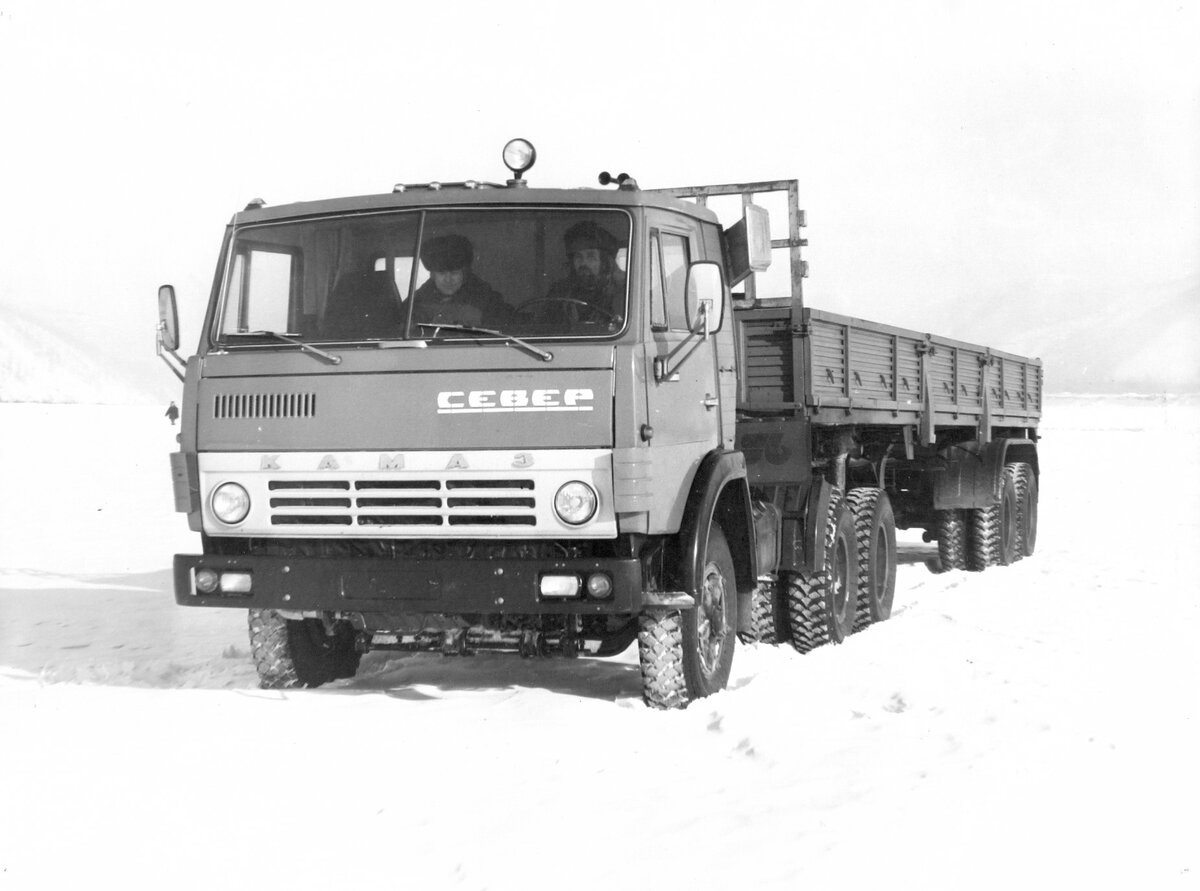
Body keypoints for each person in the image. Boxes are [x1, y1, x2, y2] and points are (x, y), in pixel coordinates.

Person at [412, 234, 508, 328]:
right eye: (442, 273)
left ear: (465, 274)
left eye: (454, 273)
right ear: (433, 275)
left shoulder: (489, 301)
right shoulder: (415, 303)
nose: (448, 279)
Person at [540, 221, 626, 323]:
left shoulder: (622, 293)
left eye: (591, 257)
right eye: (578, 257)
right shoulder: (559, 292)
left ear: (604, 263)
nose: (583, 263)